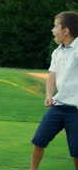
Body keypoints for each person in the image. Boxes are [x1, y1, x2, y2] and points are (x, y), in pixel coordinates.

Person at [30, 11, 78, 170]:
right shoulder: (57, 52)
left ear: (66, 30)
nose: (52, 30)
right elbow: (52, 76)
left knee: (76, 151)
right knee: (39, 140)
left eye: (55, 26)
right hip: (58, 106)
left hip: (76, 110)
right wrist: (49, 95)